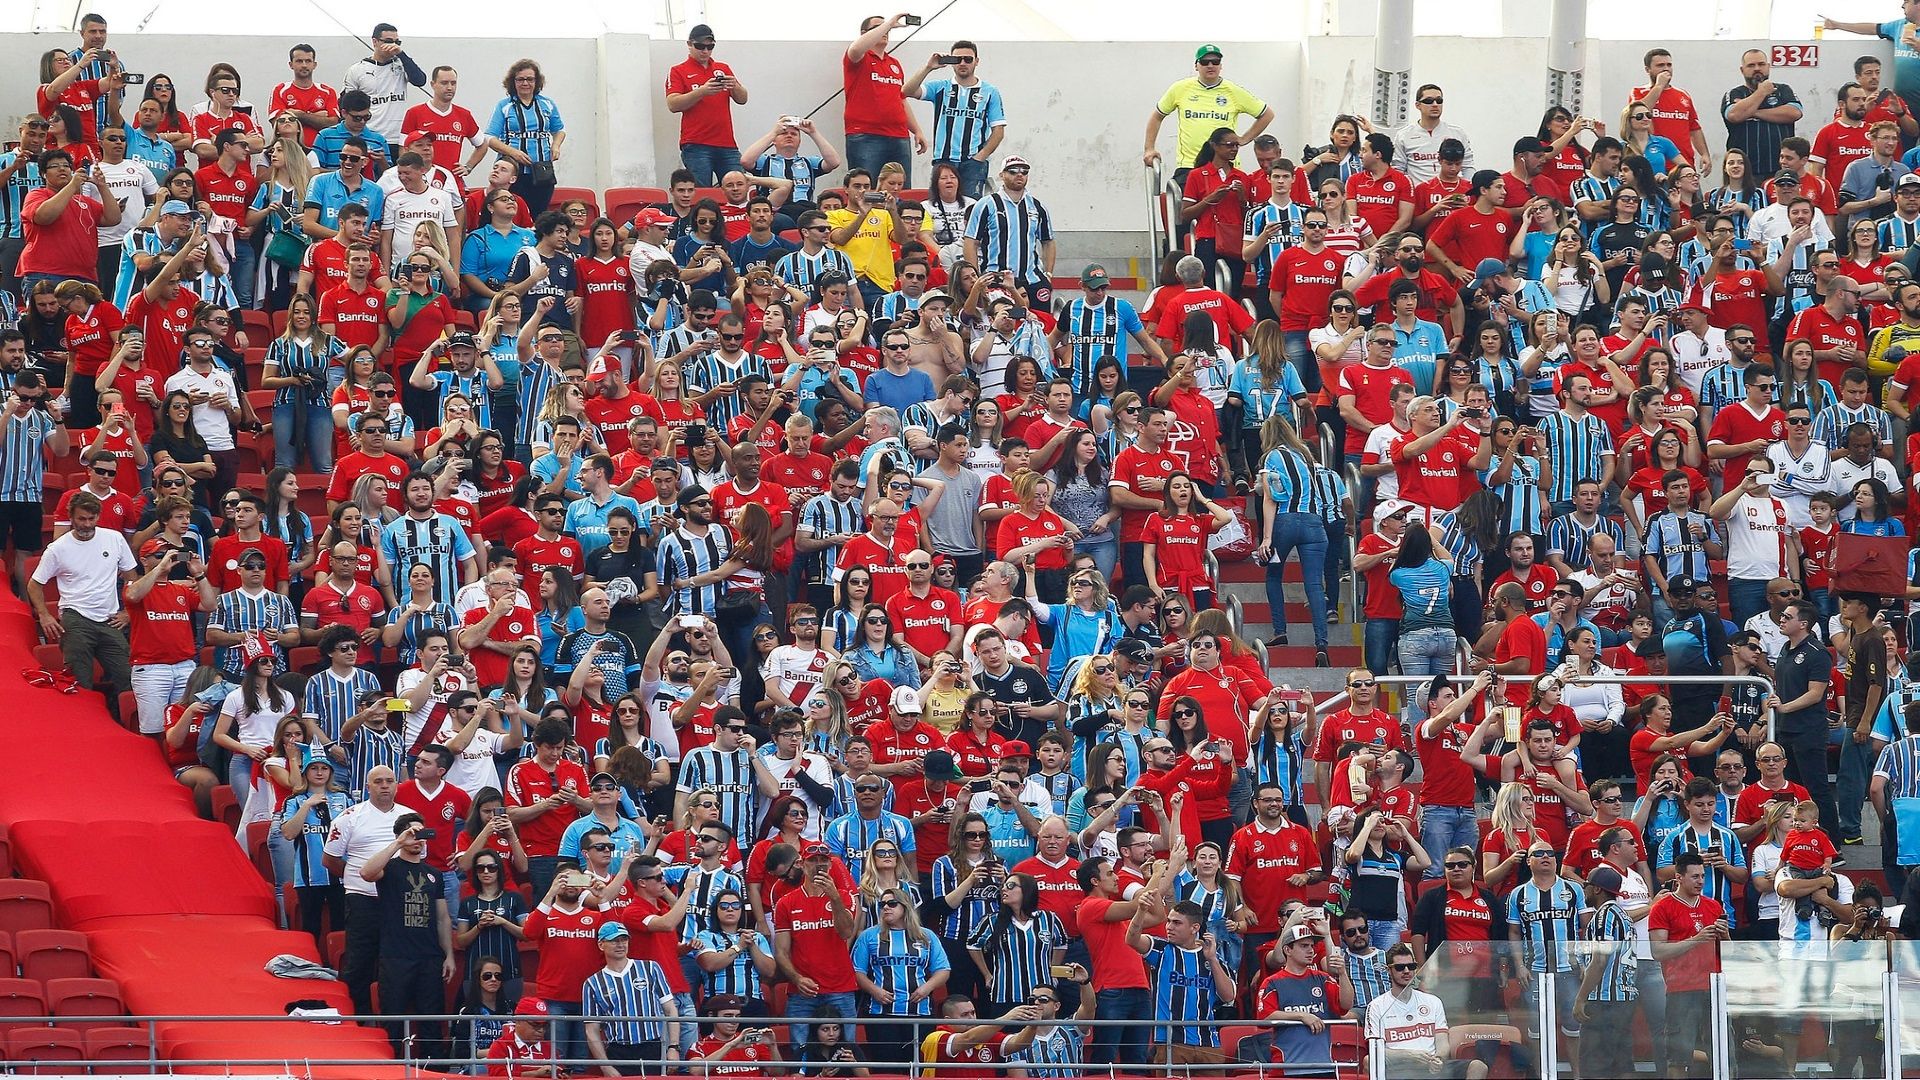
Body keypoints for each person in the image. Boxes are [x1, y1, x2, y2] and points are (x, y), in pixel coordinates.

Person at [27, 491, 133, 719]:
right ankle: (84, 723)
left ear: (98, 516)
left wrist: (128, 612)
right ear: (72, 517)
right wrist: (44, 615)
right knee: (80, 680)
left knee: (128, 675)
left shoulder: (114, 538)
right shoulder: (58, 548)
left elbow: (131, 576)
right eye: (82, 519)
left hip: (109, 619)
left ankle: (119, 719)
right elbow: (34, 584)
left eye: (91, 519)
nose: (87, 524)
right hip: (75, 618)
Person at [359, 814, 456, 1059]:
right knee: (393, 1021)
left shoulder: (433, 873)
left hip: (429, 957)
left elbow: (443, 918)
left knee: (431, 1021)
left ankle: (435, 1071)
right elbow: (366, 873)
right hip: (395, 957)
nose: (418, 840)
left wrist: (449, 955)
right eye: (413, 834)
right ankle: (391, 1069)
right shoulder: (389, 868)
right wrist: (398, 843)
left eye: (421, 834)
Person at [1649, 851, 1729, 1079]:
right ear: (1679, 877)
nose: (1701, 881)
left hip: (1713, 987)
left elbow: (1729, 951)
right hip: (1681, 990)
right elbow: (1658, 951)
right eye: (1694, 876)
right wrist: (1697, 939)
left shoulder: (1713, 906)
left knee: (1724, 1053)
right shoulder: (1662, 907)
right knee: (1678, 1058)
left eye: (1703, 876)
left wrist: (1725, 937)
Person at [903, 44, 1006, 199]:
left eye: (968, 59)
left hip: (973, 163)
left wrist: (980, 157)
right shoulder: (941, 87)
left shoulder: (990, 92)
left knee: (971, 211)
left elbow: (998, 131)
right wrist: (928, 67)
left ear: (976, 61)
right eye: (957, 59)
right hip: (943, 161)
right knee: (937, 209)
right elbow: (906, 91)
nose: (963, 63)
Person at [581, 921, 681, 1076]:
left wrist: (673, 1047)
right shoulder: (593, 983)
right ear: (601, 945)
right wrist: (605, 1066)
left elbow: (670, 1009)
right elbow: (591, 1030)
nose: (620, 944)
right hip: (618, 1049)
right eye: (614, 941)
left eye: (624, 940)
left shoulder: (650, 968)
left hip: (652, 1046)